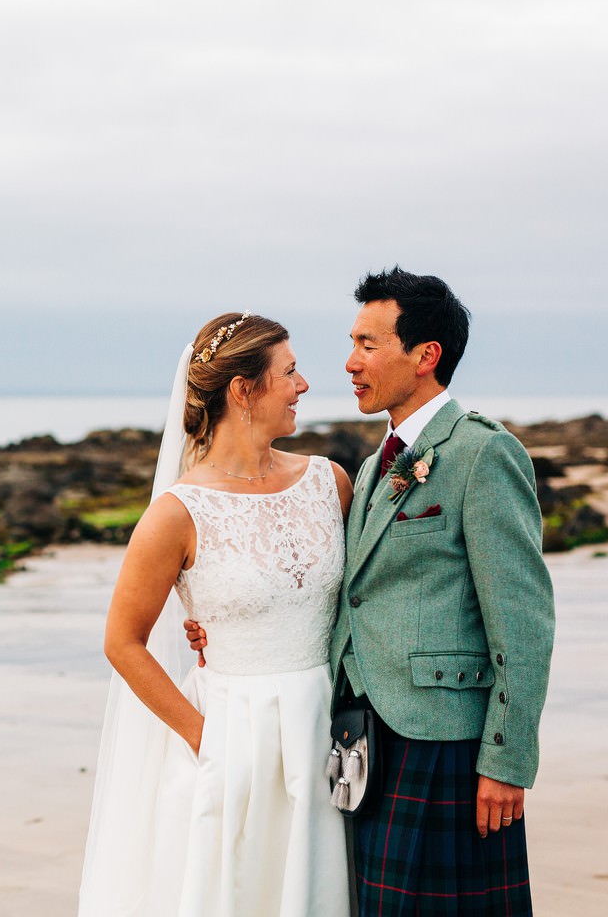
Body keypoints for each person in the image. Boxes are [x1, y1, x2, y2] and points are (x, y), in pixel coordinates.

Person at [189, 268, 555, 916]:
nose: (350, 362)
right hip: (362, 746)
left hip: (447, 745)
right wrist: (216, 622)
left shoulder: (481, 455)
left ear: (424, 356)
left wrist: (507, 760)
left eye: (368, 344)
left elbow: (523, 622)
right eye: (352, 342)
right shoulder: (367, 466)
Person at [78, 311, 355, 917]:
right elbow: (123, 641)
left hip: (327, 730)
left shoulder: (329, 483)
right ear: (243, 390)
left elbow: (363, 600)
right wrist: (206, 737)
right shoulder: (178, 512)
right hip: (234, 740)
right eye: (289, 371)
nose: (304, 384)